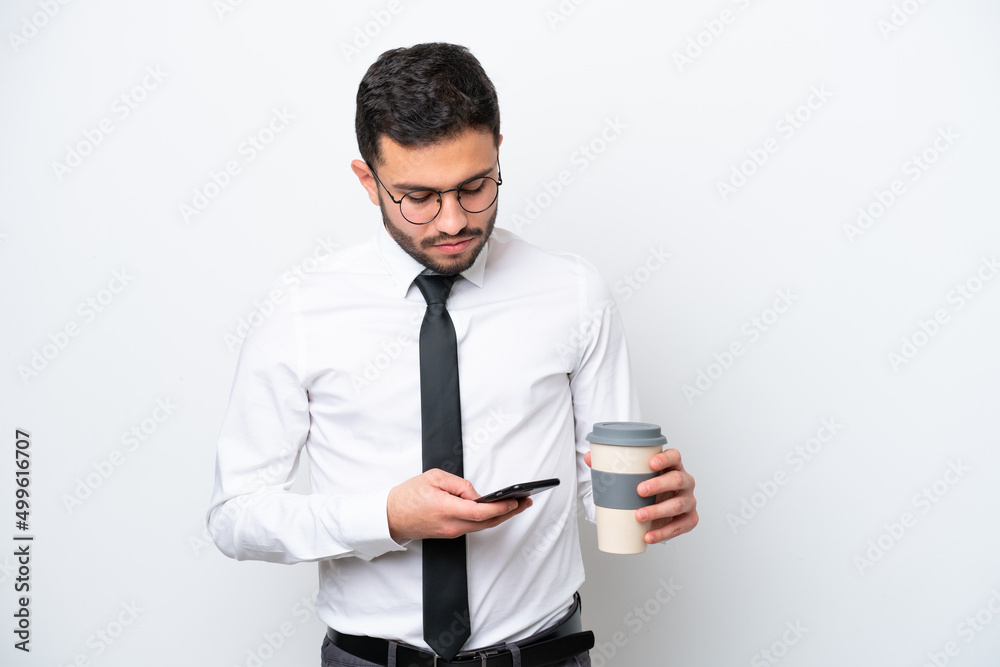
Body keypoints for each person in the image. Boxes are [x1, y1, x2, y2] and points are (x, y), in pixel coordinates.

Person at [207, 42, 698, 667]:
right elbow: (235, 516)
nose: (450, 222)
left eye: (475, 186)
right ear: (368, 180)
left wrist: (654, 502)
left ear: (497, 154)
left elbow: (602, 494)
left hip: (546, 653)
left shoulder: (573, 293)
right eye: (417, 197)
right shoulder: (301, 309)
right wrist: (385, 516)